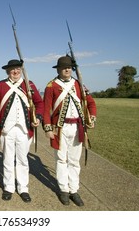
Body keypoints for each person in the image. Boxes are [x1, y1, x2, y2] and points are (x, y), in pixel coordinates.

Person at [43, 55, 97, 206]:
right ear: (59, 69)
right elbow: (46, 109)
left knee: (74, 161)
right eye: (64, 67)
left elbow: (91, 103)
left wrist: (92, 118)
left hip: (78, 127)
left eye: (69, 67)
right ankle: (64, 190)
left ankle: (74, 190)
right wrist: (47, 128)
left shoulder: (79, 85)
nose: (67, 69)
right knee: (61, 159)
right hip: (59, 128)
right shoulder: (51, 86)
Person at [0, 59, 44, 203]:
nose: (15, 72)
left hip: (24, 129)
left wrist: (38, 117)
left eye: (18, 69)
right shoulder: (1, 85)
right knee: (7, 160)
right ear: (8, 71)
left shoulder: (29, 84)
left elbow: (40, 103)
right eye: (13, 69)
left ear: (21, 71)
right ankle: (8, 187)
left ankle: (23, 188)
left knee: (22, 160)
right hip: (6, 129)